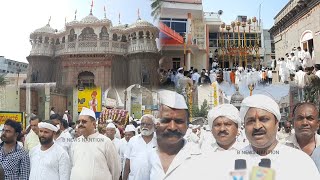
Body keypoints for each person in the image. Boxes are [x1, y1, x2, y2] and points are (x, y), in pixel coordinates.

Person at [191, 94, 320, 179]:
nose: (257, 126)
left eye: (264, 119)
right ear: (244, 126)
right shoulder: (227, 162)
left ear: (276, 123)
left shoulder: (300, 162)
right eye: (251, 121)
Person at [135, 90, 201, 180]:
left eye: (179, 121)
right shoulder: (146, 156)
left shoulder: (198, 156)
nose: (172, 127)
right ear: (156, 124)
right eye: (165, 121)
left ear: (187, 125)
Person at [70, 107, 121, 180]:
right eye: (78, 122)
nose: (80, 124)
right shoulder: (75, 142)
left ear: (94, 124)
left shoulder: (105, 142)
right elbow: (73, 165)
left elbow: (115, 169)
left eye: (84, 121)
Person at [123, 114, 157, 180]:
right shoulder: (133, 140)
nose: (145, 126)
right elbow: (127, 163)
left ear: (154, 126)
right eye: (142, 124)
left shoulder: (159, 141)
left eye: (148, 124)